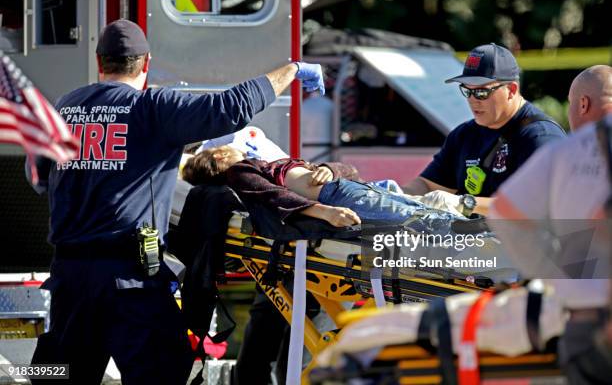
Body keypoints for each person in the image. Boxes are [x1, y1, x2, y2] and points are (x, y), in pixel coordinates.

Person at [25, 19, 326, 385]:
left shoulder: (66, 106)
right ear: (146, 63)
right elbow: (230, 107)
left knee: (57, 376)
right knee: (166, 373)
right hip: (130, 283)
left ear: (99, 61)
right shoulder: (153, 108)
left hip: (70, 280)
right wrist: (293, 69)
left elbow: (37, 174)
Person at [489, 65, 612, 384]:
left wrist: (552, 273)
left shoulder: (566, 153)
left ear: (582, 105)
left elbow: (504, 211)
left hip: (587, 327)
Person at [402, 43, 565, 215]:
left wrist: (466, 203)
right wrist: (400, 196)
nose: (473, 100)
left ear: (511, 90)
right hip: (469, 240)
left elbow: (536, 206)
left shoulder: (540, 137)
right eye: (467, 91)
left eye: (481, 92)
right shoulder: (463, 135)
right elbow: (427, 184)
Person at [181, 145, 460, 228]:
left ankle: (487, 232)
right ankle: (487, 237)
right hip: (341, 195)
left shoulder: (258, 168)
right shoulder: (240, 171)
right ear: (219, 156)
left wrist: (328, 169)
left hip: (352, 189)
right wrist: (325, 212)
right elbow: (276, 196)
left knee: (427, 213)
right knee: (425, 219)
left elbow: (349, 172)